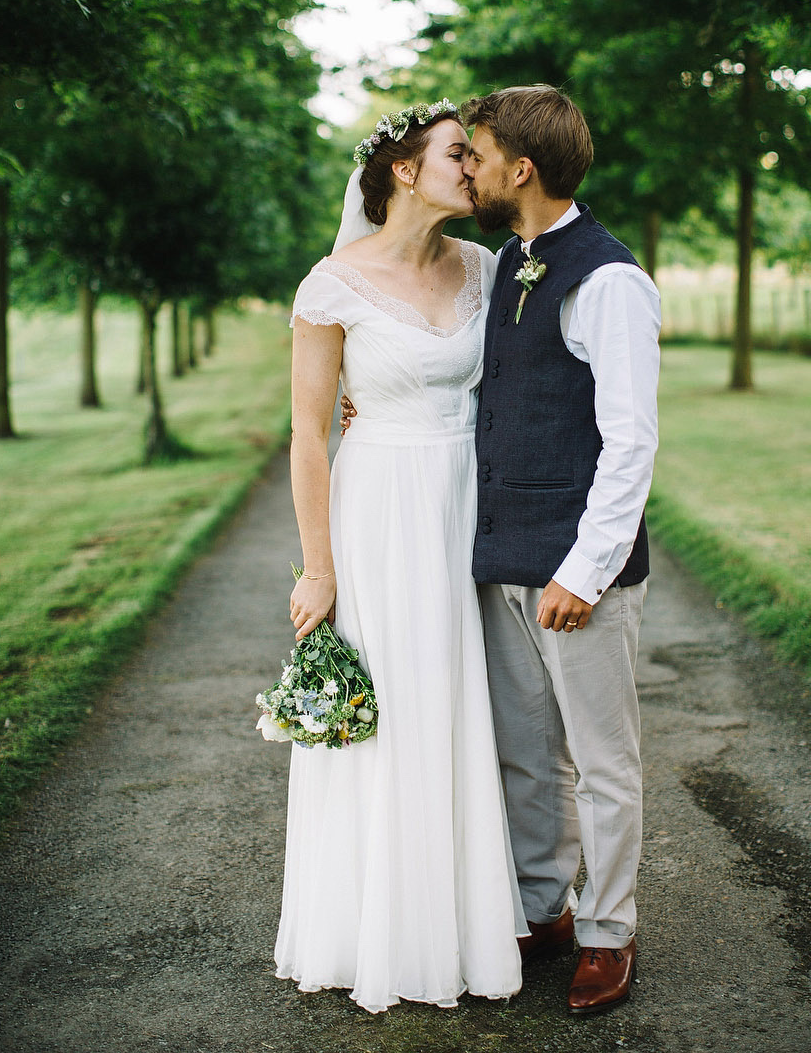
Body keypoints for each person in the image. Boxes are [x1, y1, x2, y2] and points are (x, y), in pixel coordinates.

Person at [274, 99, 525, 1014]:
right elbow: (308, 436)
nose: (478, 166)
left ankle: (470, 919)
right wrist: (320, 568)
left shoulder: (490, 270)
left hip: (470, 499)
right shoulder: (332, 284)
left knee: (469, 705)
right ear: (406, 173)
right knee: (395, 706)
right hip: (380, 507)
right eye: (461, 153)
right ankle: (380, 932)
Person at [461, 85, 660, 1017]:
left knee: (603, 760)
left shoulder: (608, 279)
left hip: (578, 570)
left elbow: (631, 442)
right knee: (527, 755)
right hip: (501, 557)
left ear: (522, 168)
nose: (471, 166)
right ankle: (544, 908)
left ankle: (608, 932)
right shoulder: (509, 262)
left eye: (479, 151)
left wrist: (584, 573)